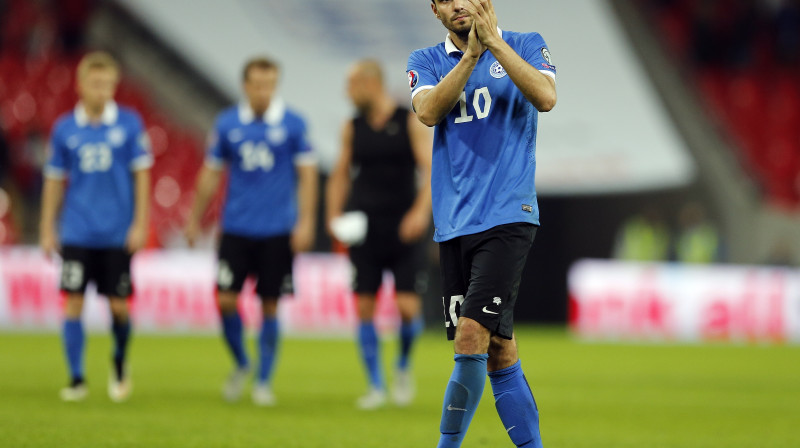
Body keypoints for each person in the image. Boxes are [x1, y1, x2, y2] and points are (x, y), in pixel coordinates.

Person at [406, 0, 556, 446]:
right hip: (454, 223)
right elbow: (429, 111)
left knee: (470, 335)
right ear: (434, 9)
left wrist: (493, 45)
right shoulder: (425, 61)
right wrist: (471, 55)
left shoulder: (527, 45)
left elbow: (546, 98)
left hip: (509, 215)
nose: (458, 5)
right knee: (498, 350)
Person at [185, 56, 318, 407]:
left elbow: (307, 176)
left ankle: (263, 380)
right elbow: (211, 173)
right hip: (236, 228)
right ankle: (243, 363)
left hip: (277, 230)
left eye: (269, 84)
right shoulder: (228, 123)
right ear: (245, 86)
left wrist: (305, 221)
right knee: (225, 300)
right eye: (257, 85)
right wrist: (194, 218)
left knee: (270, 305)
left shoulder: (293, 124)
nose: (263, 92)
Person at [40, 51, 152, 402]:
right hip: (77, 229)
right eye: (96, 83)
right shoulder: (64, 128)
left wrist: (140, 223)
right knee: (73, 301)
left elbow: (143, 177)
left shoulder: (130, 124)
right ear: (81, 85)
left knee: (118, 306)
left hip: (117, 231)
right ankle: (76, 378)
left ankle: (119, 362)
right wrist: (47, 228)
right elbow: (54, 180)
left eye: (108, 84)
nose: (103, 90)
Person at [326, 59, 433, 409]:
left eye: (351, 85)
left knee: (406, 306)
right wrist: (332, 215)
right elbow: (341, 173)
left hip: (404, 227)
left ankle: (402, 365)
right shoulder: (352, 126)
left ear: (371, 84)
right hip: (364, 228)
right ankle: (375, 385)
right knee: (365, 306)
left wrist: (420, 212)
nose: (347, 93)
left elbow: (429, 170)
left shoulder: (408, 119)